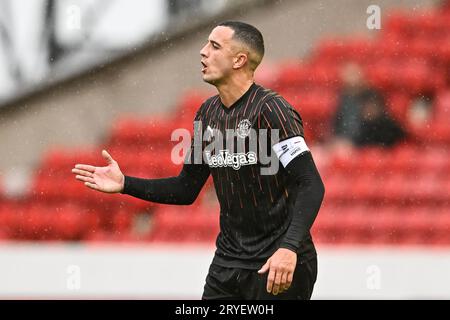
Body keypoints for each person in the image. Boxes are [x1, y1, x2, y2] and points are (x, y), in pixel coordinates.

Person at [71, 21, 325, 300]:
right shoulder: (207, 113)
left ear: (239, 60)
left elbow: (311, 183)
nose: (203, 52)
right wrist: (125, 184)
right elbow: (186, 188)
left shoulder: (272, 110)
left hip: (277, 262)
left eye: (214, 46)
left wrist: (289, 248)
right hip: (228, 263)